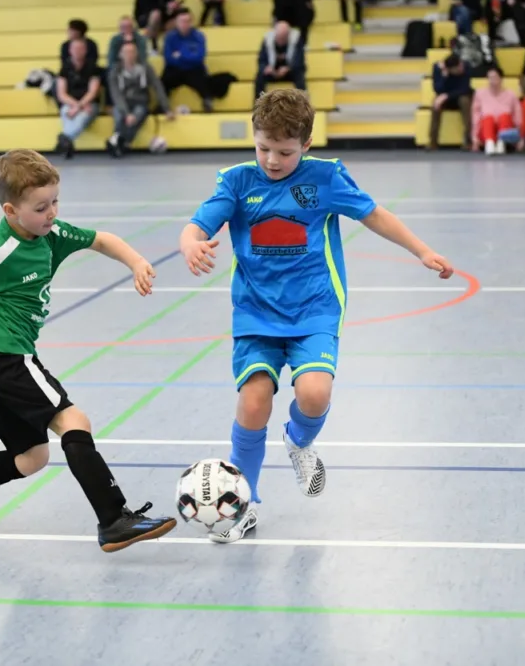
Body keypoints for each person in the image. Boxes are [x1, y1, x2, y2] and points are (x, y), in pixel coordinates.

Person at [177, 88, 454, 543]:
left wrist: (421, 250)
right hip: (256, 312)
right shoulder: (237, 182)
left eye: (284, 152)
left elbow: (374, 215)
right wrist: (190, 241)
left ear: (306, 145)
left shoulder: (325, 178)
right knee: (252, 401)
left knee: (314, 395)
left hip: (315, 309)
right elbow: (200, 223)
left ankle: (298, 441)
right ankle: (244, 504)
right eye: (263, 147)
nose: (271, 159)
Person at [0, 148, 178, 554]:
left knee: (31, 458)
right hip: (5, 358)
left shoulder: (51, 235)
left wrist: (135, 261)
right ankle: (114, 519)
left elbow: (100, 240)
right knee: (73, 420)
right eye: (41, 207)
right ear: (11, 211)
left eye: (55, 202)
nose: (51, 213)